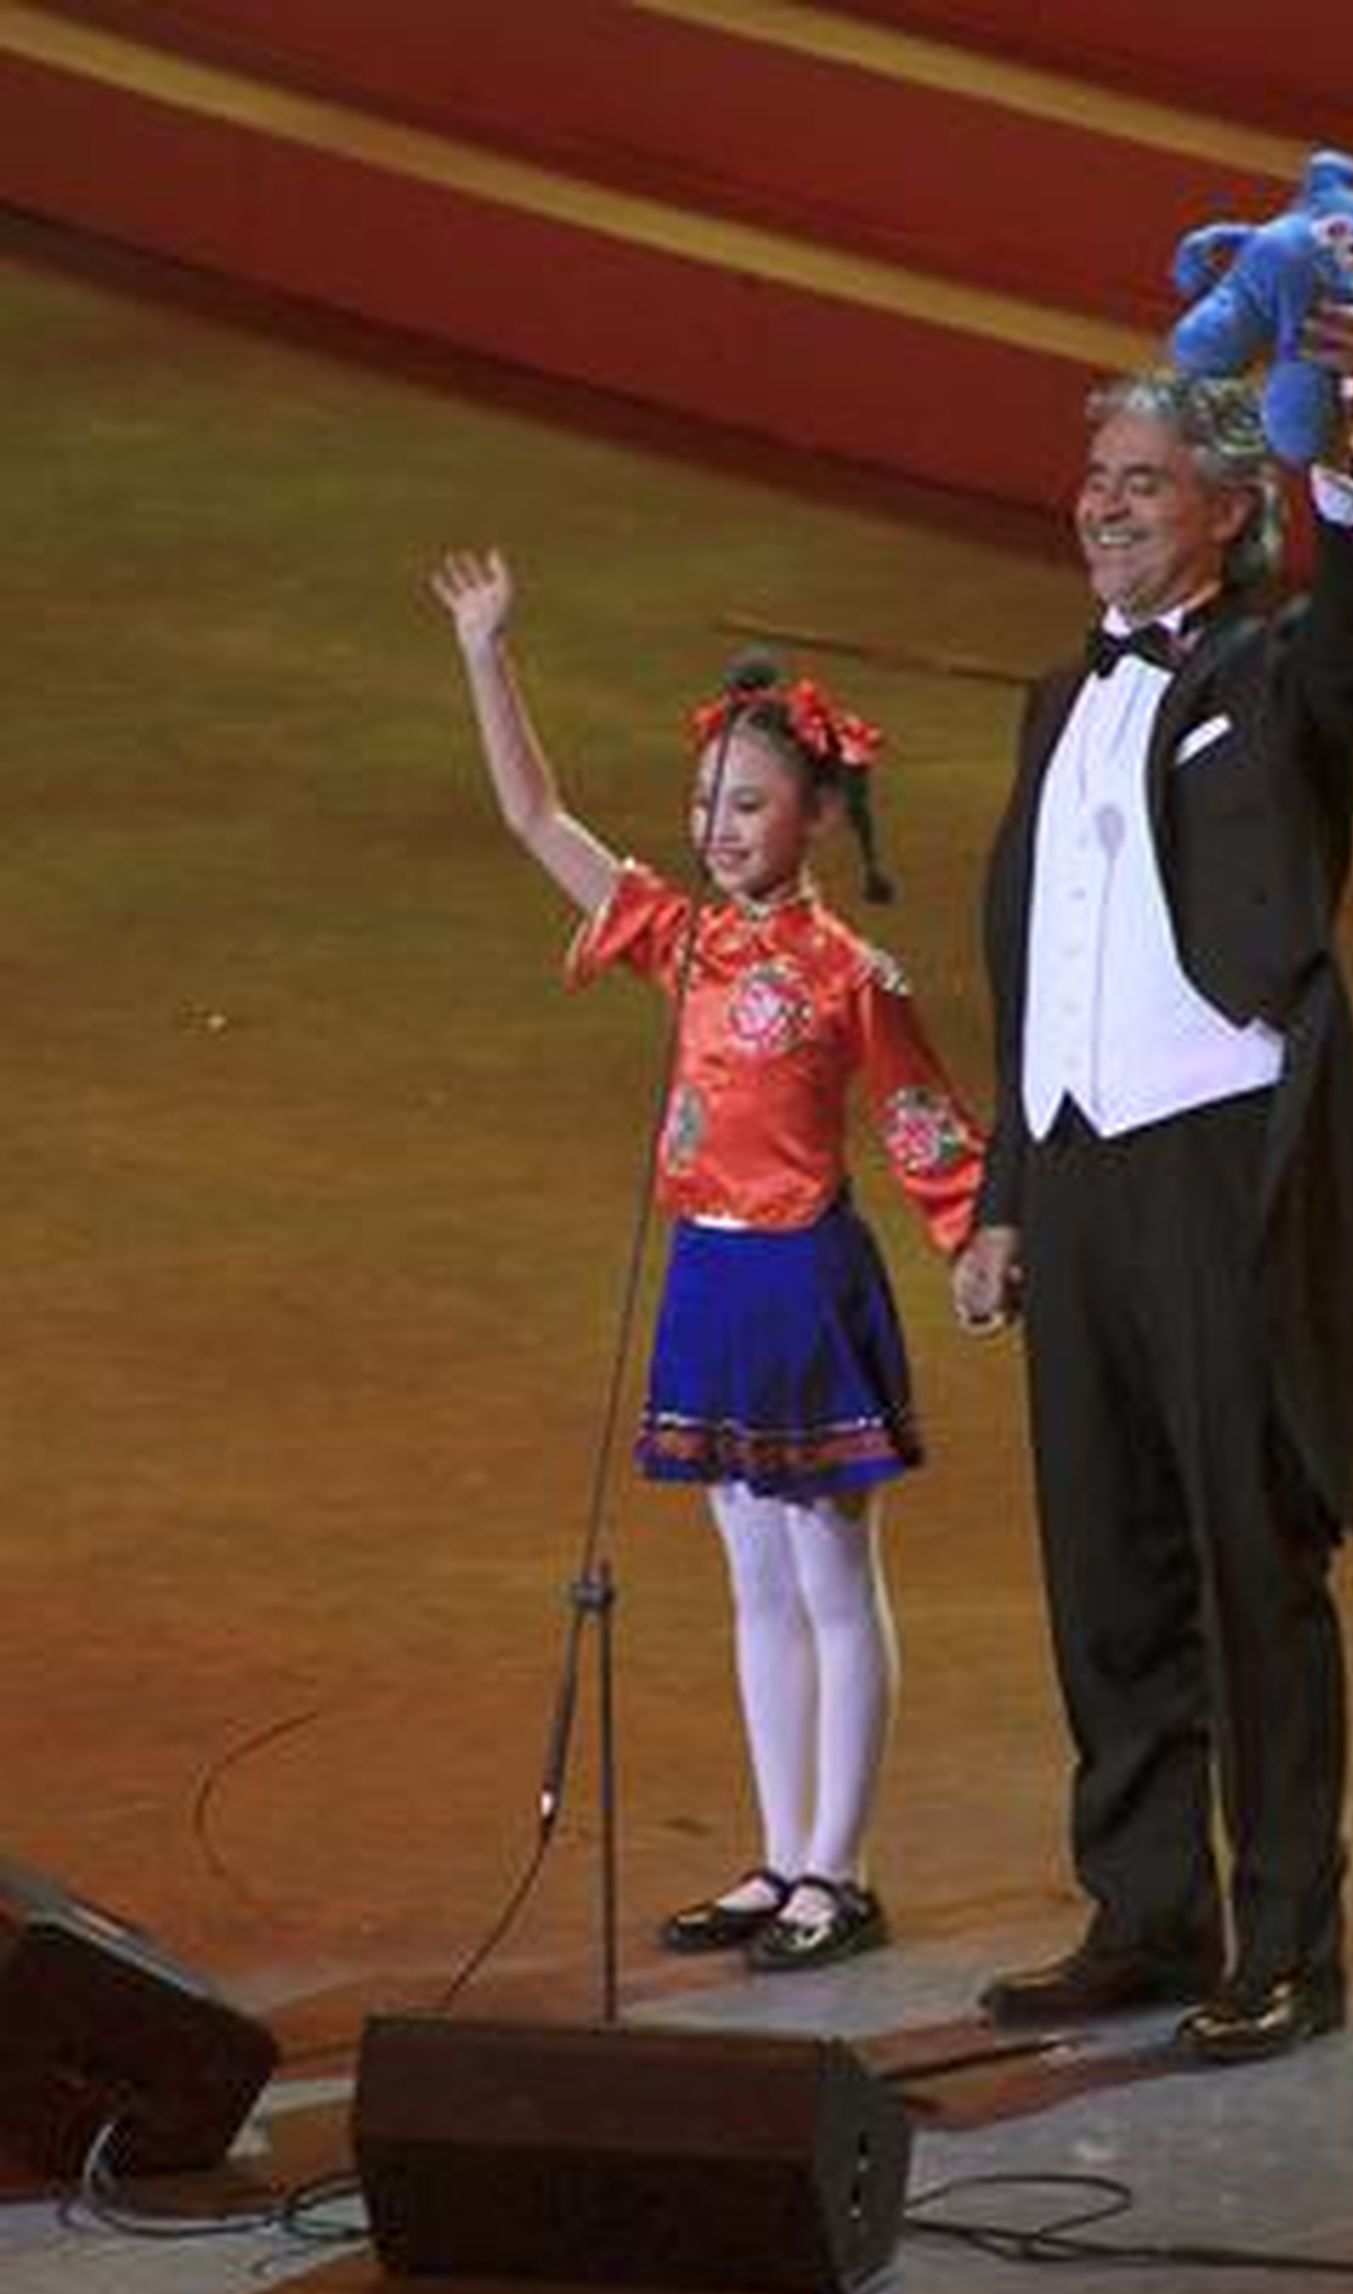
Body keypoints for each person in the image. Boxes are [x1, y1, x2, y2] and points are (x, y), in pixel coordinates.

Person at [954, 315, 1353, 2060]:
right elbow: (1039, 964)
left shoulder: (1286, 673)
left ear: (1228, 506)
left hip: (1222, 1161)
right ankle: (1146, 1913)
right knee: (1109, 1566)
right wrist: (1005, 1193)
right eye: (1095, 479)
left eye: (1144, 482)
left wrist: (1343, 459)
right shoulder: (1060, 698)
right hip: (1075, 1173)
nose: (1104, 507)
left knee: (1248, 1554)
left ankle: (1290, 1939)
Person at [432, 549, 984, 1972]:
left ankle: (839, 1869)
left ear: (814, 813)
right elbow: (531, 812)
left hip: (806, 1281)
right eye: (707, 804)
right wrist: (488, 652)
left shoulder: (850, 976)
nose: (717, 827)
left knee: (829, 1572)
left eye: (748, 804)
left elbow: (924, 1123)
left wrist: (975, 1238)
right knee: (751, 1575)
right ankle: (779, 1848)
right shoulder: (675, 942)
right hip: (710, 1275)